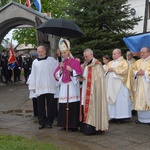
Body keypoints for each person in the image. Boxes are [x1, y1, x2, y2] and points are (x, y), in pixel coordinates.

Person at [54, 38, 82, 132]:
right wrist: (61, 70)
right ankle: (64, 124)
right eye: (62, 53)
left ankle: (73, 125)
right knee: (63, 105)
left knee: (72, 105)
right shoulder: (62, 63)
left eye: (64, 52)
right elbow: (56, 74)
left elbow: (79, 73)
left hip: (72, 87)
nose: (63, 54)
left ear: (68, 51)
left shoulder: (75, 62)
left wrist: (71, 71)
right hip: (64, 87)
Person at [80, 48, 109, 135]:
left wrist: (86, 79)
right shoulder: (86, 64)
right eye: (84, 56)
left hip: (94, 92)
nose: (85, 58)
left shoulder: (97, 65)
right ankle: (86, 127)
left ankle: (94, 128)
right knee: (85, 107)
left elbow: (99, 80)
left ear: (91, 55)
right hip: (86, 89)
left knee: (94, 108)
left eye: (86, 56)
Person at [29, 46, 58, 129]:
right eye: (39, 52)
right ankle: (42, 122)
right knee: (40, 106)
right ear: (37, 52)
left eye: (42, 51)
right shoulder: (35, 62)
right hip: (39, 86)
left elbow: (57, 70)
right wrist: (33, 86)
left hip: (50, 86)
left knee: (51, 106)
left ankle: (50, 122)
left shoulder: (52, 60)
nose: (40, 53)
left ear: (45, 51)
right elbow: (33, 74)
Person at [105, 48, 133, 124]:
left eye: (115, 54)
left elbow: (125, 71)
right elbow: (105, 70)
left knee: (119, 100)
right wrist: (108, 70)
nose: (113, 55)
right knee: (111, 99)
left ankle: (121, 116)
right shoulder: (110, 63)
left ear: (119, 54)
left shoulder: (124, 62)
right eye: (112, 54)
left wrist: (114, 70)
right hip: (111, 84)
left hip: (120, 84)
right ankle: (112, 115)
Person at [132, 47, 150, 124]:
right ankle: (141, 119)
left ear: (148, 52)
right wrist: (137, 72)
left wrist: (145, 73)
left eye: (144, 52)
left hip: (148, 85)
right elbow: (133, 70)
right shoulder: (138, 62)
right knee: (140, 99)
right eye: (141, 52)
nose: (142, 54)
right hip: (139, 84)